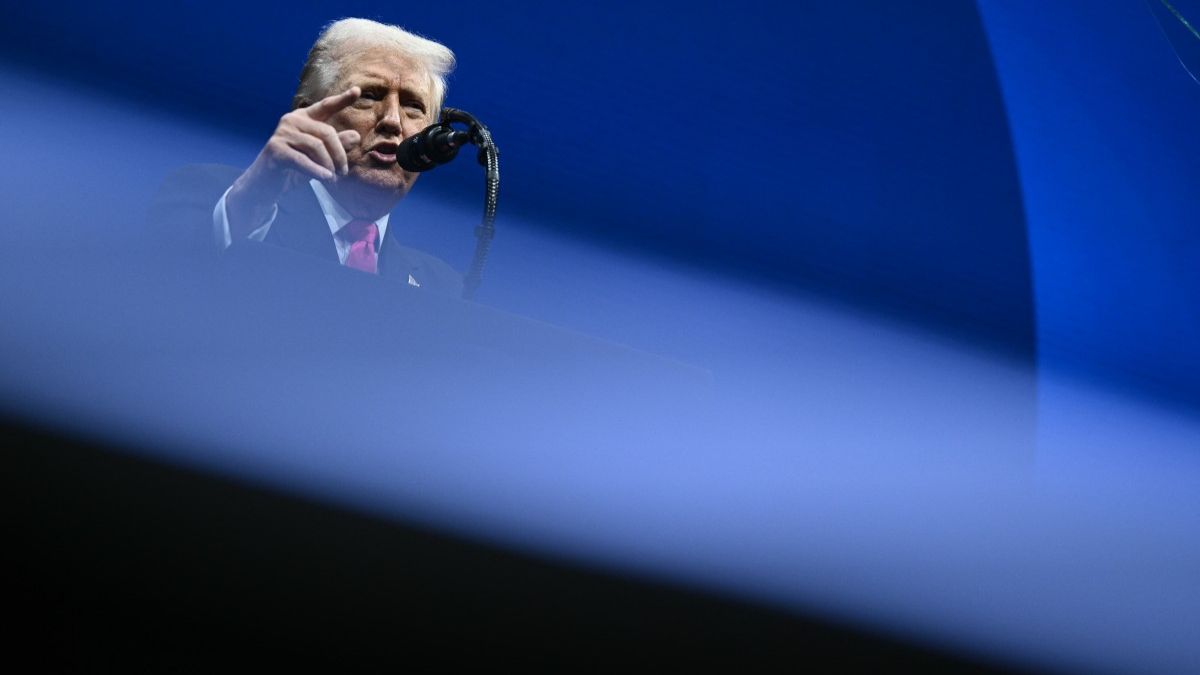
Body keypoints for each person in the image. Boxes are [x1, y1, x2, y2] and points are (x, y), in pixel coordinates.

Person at [151, 18, 463, 296]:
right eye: (369, 95)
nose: (393, 120)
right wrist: (254, 197)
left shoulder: (442, 287)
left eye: (413, 106)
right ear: (307, 116)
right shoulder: (209, 196)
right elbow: (164, 289)